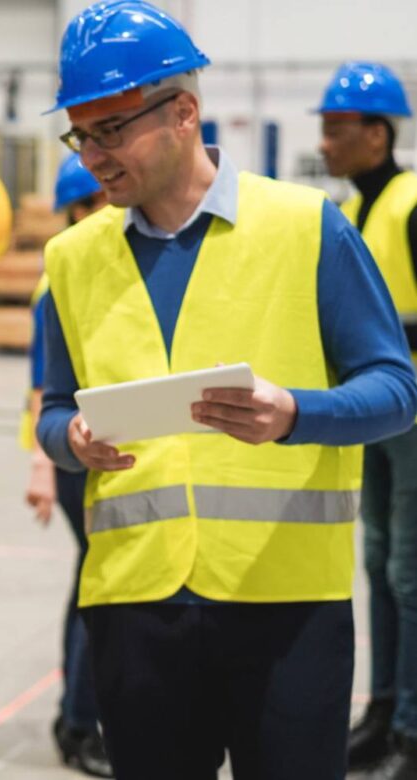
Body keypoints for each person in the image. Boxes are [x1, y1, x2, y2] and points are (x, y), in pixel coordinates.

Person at [36, 3, 417, 779]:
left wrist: (297, 414)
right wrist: (68, 442)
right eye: (82, 135)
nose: (94, 155)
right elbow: (52, 409)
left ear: (184, 114)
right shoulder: (72, 258)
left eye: (111, 130)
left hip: (286, 606)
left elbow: (396, 389)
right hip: (133, 604)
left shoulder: (308, 228)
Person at [318, 60, 417, 779]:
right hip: (375, 414)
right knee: (379, 564)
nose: (324, 143)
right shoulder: (353, 215)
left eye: (336, 129)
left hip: (411, 414)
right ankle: (384, 709)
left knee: (409, 572)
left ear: (377, 136)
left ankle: (410, 727)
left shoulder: (412, 205)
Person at [24, 153, 111, 778]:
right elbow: (41, 389)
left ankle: (81, 717)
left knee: (95, 582)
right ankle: (79, 722)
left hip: (91, 443)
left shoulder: (96, 263)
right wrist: (41, 466)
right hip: (75, 451)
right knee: (96, 585)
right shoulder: (62, 275)